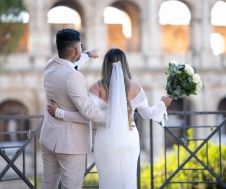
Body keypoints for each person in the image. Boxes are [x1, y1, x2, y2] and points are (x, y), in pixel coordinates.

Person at [48, 48, 172, 189]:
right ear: (125, 64)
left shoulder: (97, 88)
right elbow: (148, 114)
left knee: (108, 182)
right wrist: (163, 103)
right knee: (128, 181)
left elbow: (84, 116)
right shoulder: (136, 87)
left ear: (105, 65)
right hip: (129, 141)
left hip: (106, 142)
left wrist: (59, 112)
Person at [39, 28, 107, 189]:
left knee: (47, 185)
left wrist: (88, 54)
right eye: (81, 47)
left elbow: (71, 65)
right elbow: (88, 112)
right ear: (76, 49)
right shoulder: (74, 77)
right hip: (70, 144)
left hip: (49, 138)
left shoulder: (50, 66)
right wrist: (115, 117)